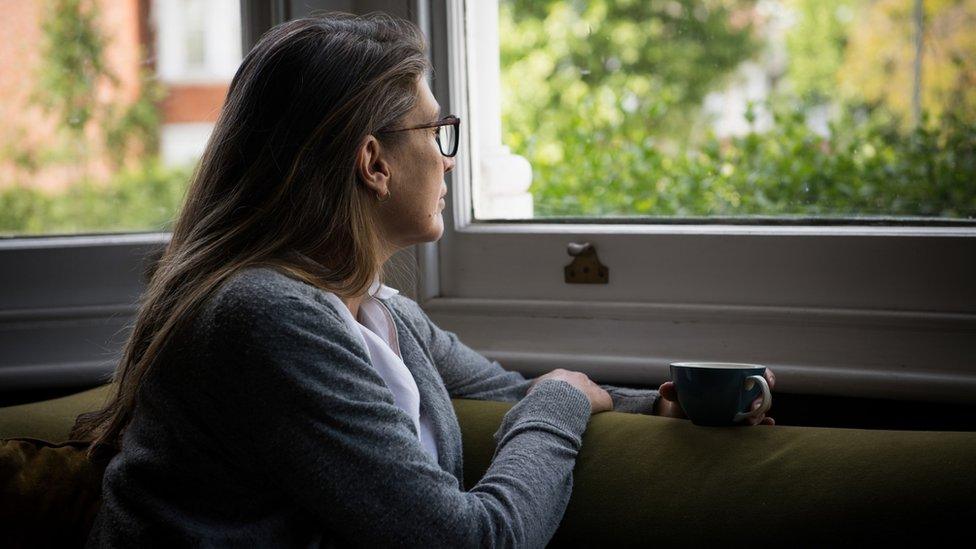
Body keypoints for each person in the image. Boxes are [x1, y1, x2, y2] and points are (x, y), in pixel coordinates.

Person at [74, 13, 775, 548]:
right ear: (373, 163)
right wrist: (560, 400)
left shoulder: (377, 313)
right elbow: (474, 538)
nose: (449, 162)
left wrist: (666, 405)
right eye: (438, 132)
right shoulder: (264, 316)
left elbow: (505, 390)